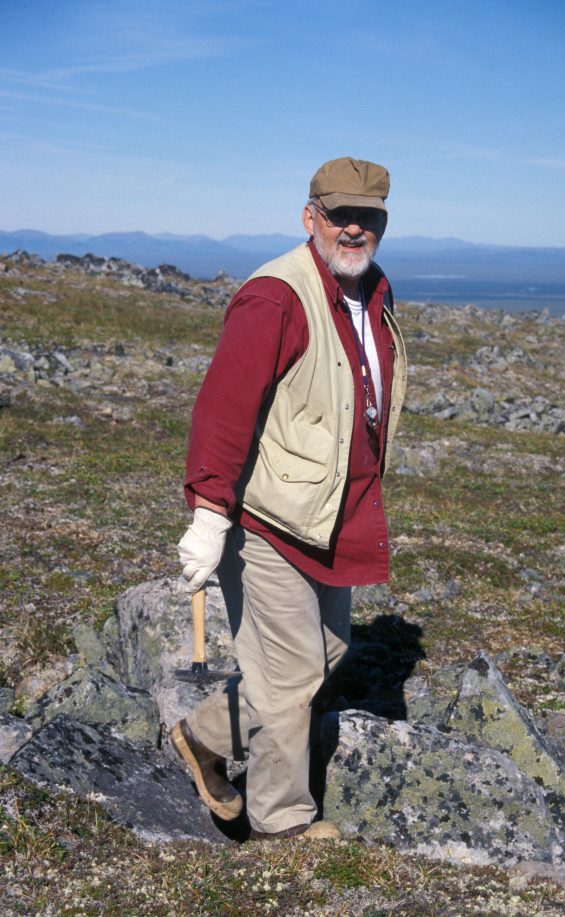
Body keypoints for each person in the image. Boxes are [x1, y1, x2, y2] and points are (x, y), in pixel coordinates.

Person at [173, 156, 407, 840]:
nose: (354, 229)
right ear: (311, 217)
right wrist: (209, 514)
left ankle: (201, 735)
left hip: (329, 517)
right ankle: (282, 826)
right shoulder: (276, 297)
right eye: (340, 216)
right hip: (266, 516)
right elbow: (223, 409)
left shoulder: (373, 290)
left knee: (327, 653)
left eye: (368, 217)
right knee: (291, 675)